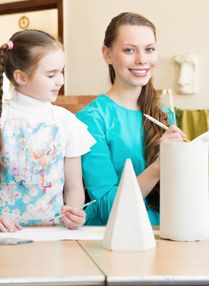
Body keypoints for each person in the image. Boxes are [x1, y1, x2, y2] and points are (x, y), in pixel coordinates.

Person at [0, 29, 95, 232]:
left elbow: (74, 186)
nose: (60, 80)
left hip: (55, 234)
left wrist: (74, 211)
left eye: (61, 72)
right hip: (4, 234)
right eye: (51, 74)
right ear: (21, 77)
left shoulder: (67, 122)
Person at [77, 12, 186, 226]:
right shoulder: (90, 120)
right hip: (112, 236)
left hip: (163, 231)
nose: (142, 60)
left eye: (149, 49)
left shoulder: (165, 114)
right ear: (107, 54)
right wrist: (157, 167)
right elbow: (107, 208)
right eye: (129, 50)